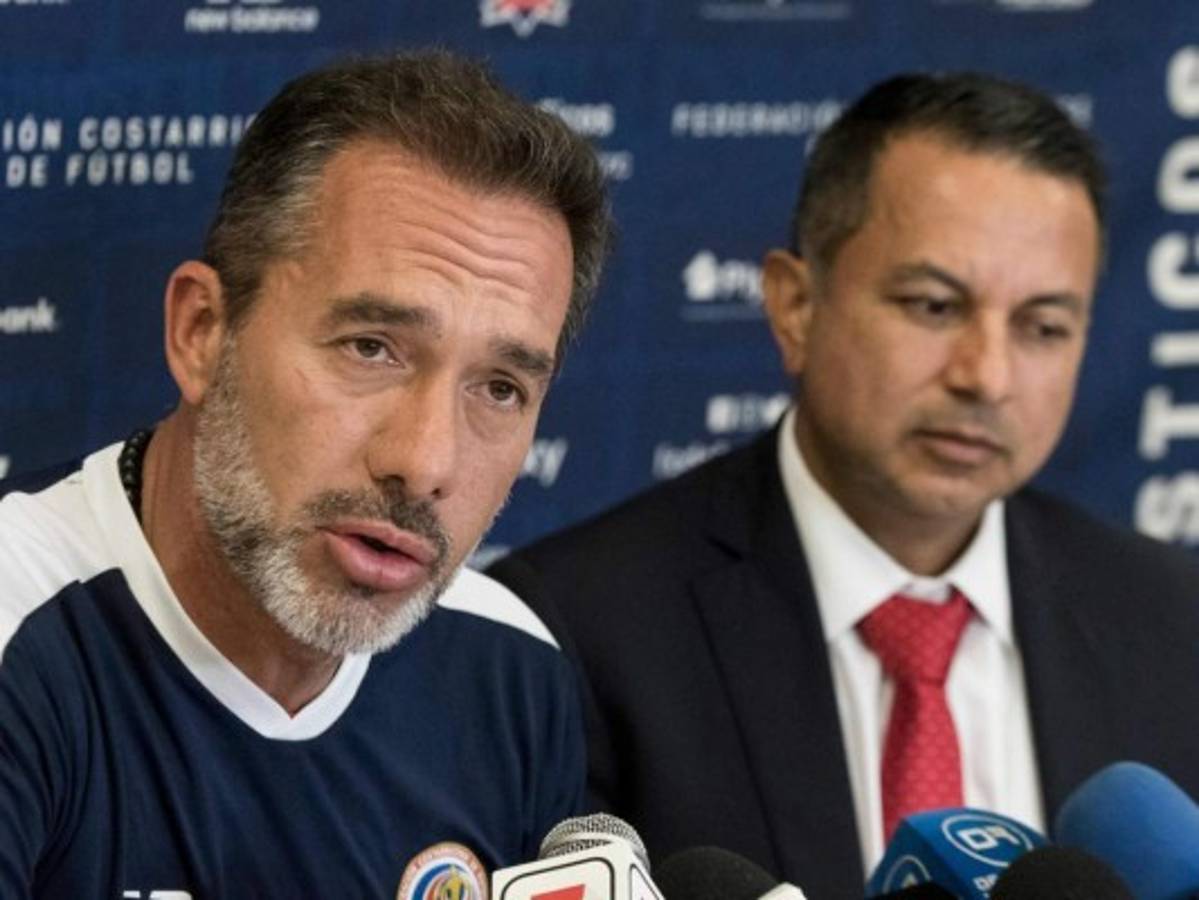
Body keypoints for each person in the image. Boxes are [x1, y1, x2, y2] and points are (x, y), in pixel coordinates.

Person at [488, 71, 1199, 897]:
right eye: (932, 306)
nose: (986, 376)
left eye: (1042, 327)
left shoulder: (1172, 623)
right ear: (794, 305)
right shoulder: (572, 633)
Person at [0, 50, 612, 897]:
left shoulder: (510, 669)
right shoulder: (19, 624)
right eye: (370, 348)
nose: (424, 463)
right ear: (202, 333)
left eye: (500, 389)